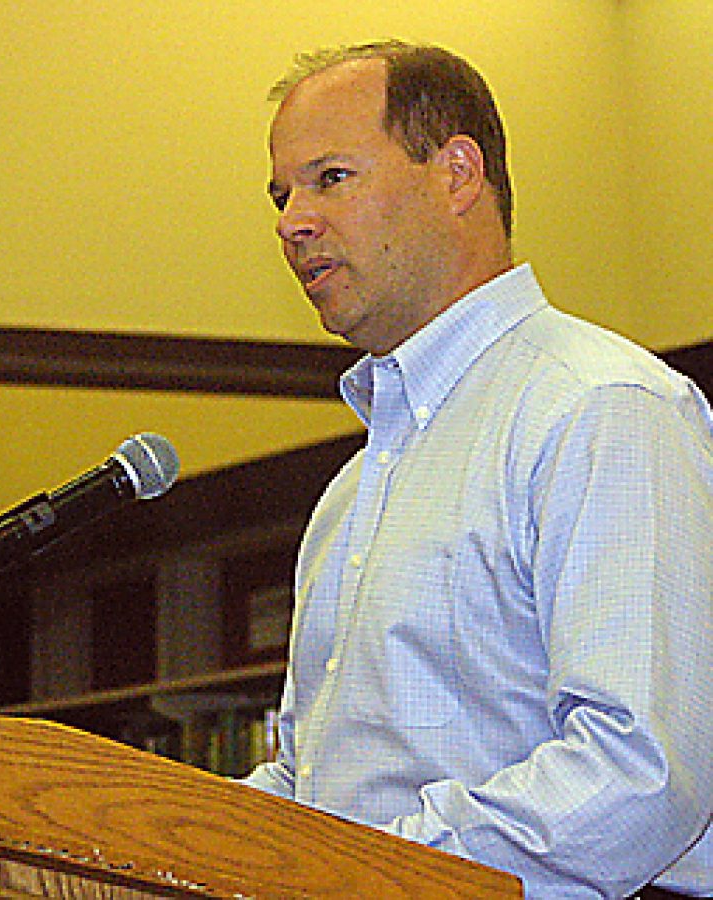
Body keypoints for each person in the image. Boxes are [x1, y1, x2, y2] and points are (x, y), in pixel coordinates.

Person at [243, 41, 711, 899]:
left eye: (330, 178)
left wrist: (364, 875)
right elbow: (312, 783)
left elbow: (640, 770)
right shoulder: (348, 498)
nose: (291, 221)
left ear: (458, 173)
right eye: (282, 195)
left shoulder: (599, 407)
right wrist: (168, 833)